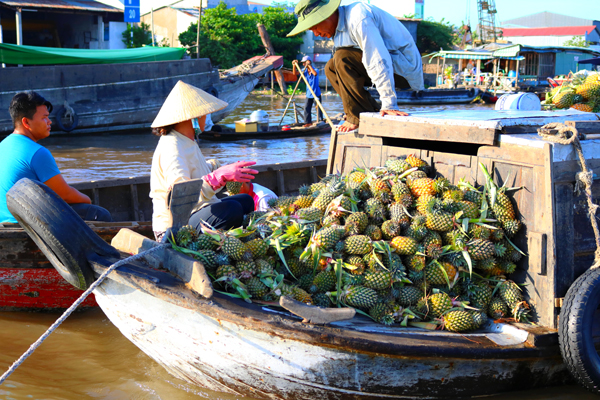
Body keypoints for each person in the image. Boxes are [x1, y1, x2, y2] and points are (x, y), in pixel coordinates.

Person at [287, 0, 424, 133]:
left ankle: (356, 116)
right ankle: (366, 112)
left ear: (327, 15)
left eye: (315, 27)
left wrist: (389, 104)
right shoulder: (338, 33)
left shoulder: (358, 17)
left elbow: (378, 59)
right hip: (386, 70)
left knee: (341, 57)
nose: (316, 34)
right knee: (331, 67)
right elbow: (343, 72)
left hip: (404, 71)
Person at [150, 80, 258, 241]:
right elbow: (181, 197)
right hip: (175, 228)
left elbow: (195, 170)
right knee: (232, 208)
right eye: (205, 114)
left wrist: (219, 167)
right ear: (194, 117)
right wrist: (217, 177)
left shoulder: (188, 141)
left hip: (197, 212)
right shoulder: (171, 146)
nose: (207, 118)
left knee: (245, 201)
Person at [0, 91, 112, 224]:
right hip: (25, 225)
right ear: (26, 122)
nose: (49, 121)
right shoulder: (37, 153)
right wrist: (87, 200)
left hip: (4, 222)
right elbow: (65, 195)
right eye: (44, 117)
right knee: (99, 214)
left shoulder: (3, 145)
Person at [292, 55, 323, 126]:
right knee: (306, 108)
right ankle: (308, 122)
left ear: (308, 62)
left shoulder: (315, 70)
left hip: (316, 93)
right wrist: (294, 65)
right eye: (302, 63)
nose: (303, 64)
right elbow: (295, 73)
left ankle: (320, 120)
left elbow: (315, 74)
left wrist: (309, 66)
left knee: (318, 108)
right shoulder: (304, 71)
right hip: (309, 94)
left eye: (304, 63)